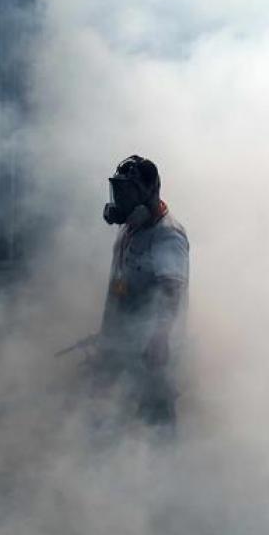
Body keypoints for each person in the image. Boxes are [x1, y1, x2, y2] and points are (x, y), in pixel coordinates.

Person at [93, 154, 189, 433]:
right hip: (123, 343)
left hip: (153, 352)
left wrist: (158, 339)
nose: (121, 200)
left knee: (156, 421)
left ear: (149, 192)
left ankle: (164, 472)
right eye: (118, 191)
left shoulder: (167, 236)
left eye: (129, 192)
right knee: (113, 417)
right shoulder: (131, 228)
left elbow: (172, 290)